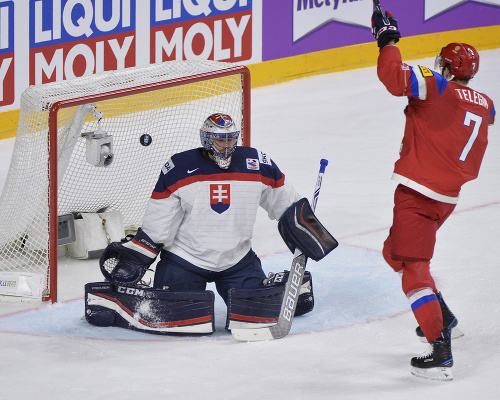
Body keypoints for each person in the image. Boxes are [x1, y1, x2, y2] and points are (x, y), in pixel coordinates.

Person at [92, 113, 336, 335]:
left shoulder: (257, 163)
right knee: (179, 320)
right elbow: (159, 222)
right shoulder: (178, 168)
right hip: (185, 259)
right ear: (206, 139)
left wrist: (304, 226)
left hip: (237, 260)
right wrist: (138, 254)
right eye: (220, 140)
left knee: (256, 316)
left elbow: (285, 202)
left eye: (231, 139)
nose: (226, 145)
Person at [372, 10, 496, 381]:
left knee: (413, 271)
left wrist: (388, 40)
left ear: (447, 65)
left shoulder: (437, 84)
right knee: (393, 252)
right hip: (446, 197)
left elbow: (394, 79)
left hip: (418, 196)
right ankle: (445, 317)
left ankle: (440, 350)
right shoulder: (486, 103)